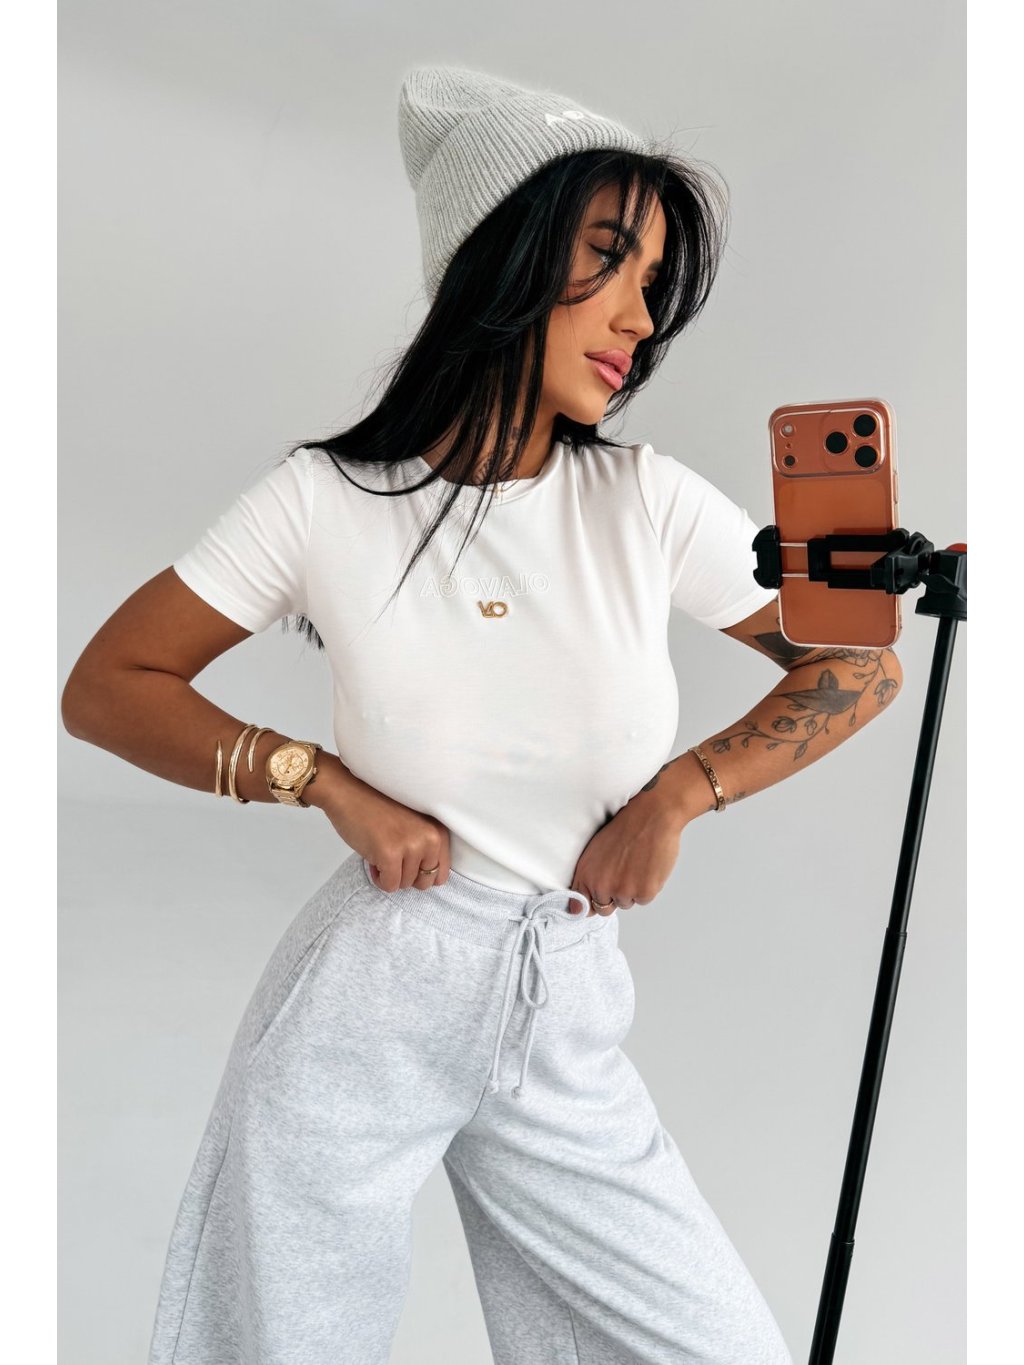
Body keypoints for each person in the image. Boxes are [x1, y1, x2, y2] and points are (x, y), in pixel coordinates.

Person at [62, 64, 902, 1365]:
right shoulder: (324, 503)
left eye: (654, 281)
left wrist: (683, 794)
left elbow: (858, 663)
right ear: (499, 257)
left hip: (561, 995)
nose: (639, 317)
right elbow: (109, 684)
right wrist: (321, 779)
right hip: (371, 991)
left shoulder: (646, 501)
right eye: (609, 258)